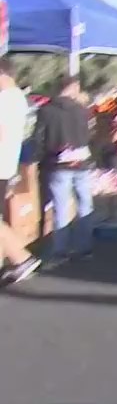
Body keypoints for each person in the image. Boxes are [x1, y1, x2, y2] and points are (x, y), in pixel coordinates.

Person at [31, 74, 97, 265]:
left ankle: (61, 249)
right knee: (85, 204)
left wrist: (43, 155)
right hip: (82, 162)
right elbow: (88, 136)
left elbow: (38, 138)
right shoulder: (82, 111)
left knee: (61, 207)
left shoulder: (46, 110)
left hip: (57, 163)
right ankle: (85, 246)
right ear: (73, 87)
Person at [0, 58, 41, 284]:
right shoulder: (18, 99)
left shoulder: (6, 99)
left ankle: (21, 257)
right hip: (6, 164)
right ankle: (19, 258)